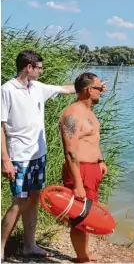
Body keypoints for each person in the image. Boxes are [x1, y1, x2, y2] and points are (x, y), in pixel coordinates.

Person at [1, 50, 76, 260]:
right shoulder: (7, 90)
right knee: (19, 202)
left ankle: (29, 245)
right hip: (19, 156)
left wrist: (91, 87)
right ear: (29, 67)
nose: (42, 71)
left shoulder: (38, 88)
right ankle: (0, 247)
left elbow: (67, 90)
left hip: (38, 154)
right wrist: (5, 159)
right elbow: (0, 126)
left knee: (33, 199)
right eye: (39, 68)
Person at [58, 72, 108, 263]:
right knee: (80, 216)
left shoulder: (90, 112)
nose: (101, 92)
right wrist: (78, 183)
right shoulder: (72, 115)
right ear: (88, 91)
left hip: (93, 170)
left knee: (89, 212)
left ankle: (84, 253)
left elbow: (93, 141)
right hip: (80, 171)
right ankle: (81, 258)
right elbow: (70, 152)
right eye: (98, 89)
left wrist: (101, 161)